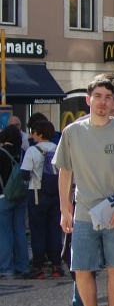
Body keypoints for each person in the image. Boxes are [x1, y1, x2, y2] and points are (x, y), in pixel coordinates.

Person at [55, 75, 114, 306]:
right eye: (98, 96)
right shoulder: (72, 132)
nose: (103, 102)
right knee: (82, 268)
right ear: (89, 100)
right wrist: (64, 209)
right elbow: (65, 172)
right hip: (84, 212)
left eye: (108, 97)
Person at [22, 119, 62, 279]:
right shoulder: (58, 148)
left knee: (37, 231)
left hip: (37, 193)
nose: (32, 135)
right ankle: (56, 266)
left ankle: (38, 267)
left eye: (33, 132)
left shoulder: (32, 151)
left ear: (38, 134)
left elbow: (24, 174)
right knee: (54, 230)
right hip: (56, 194)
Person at [0, 124, 28, 278]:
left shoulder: (1, 153)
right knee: (19, 230)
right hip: (21, 196)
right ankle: (22, 265)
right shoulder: (23, 152)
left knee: (4, 232)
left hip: (4, 196)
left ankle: (6, 267)